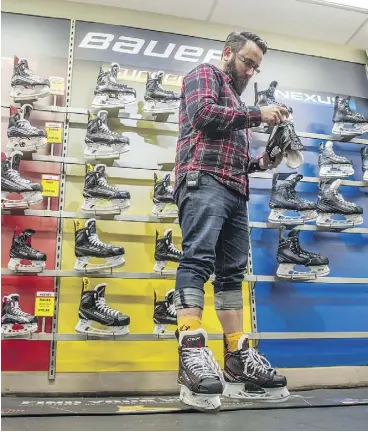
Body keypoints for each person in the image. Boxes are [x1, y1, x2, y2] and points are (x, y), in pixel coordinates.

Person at [173, 31, 290, 412]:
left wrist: (263, 163)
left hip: (233, 189)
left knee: (231, 274)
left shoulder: (236, 104)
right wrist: (258, 114)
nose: (252, 70)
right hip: (202, 179)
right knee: (197, 260)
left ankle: (237, 357)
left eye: (257, 66)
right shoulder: (204, 75)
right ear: (228, 54)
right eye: (248, 62)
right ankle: (191, 349)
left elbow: (237, 160)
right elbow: (203, 116)